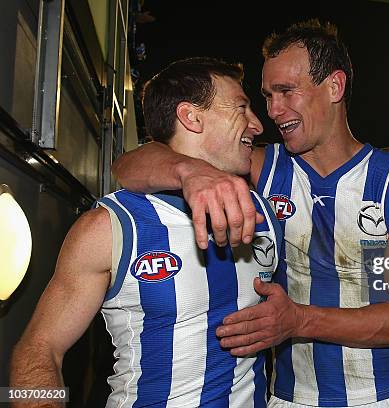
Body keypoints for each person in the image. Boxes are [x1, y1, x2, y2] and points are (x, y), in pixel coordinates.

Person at [112, 19, 389, 407]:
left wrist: (299, 320)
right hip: (291, 398)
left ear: (334, 86)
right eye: (267, 95)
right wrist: (190, 171)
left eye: (286, 92)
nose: (273, 110)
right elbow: (128, 166)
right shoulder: (261, 169)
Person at [10, 57, 282, 406]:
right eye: (242, 108)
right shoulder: (112, 226)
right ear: (191, 117)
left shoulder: (264, 213)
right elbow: (37, 348)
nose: (257, 124)